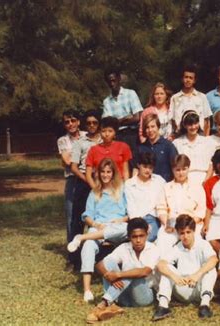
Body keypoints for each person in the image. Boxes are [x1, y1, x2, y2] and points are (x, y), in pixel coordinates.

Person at [68, 158, 128, 302]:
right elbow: (87, 215)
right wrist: (95, 223)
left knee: (126, 229)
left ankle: (81, 237)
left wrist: (121, 220)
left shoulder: (122, 189)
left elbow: (130, 213)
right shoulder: (94, 192)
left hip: (118, 227)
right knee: (89, 245)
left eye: (109, 172)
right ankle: (87, 290)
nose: (106, 175)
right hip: (98, 227)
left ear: (113, 173)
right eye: (103, 172)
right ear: (99, 174)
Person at [86, 218, 160, 324]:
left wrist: (118, 275)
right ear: (129, 237)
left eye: (141, 236)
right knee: (109, 261)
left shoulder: (153, 249)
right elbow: (99, 265)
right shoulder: (125, 247)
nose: (138, 240)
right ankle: (113, 306)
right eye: (134, 237)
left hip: (143, 297)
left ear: (147, 235)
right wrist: (109, 277)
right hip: (123, 298)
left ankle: (104, 303)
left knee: (131, 267)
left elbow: (145, 271)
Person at [153, 214, 218, 321]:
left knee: (210, 268)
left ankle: (204, 306)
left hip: (199, 288)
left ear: (194, 232)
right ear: (178, 233)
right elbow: (161, 264)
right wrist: (174, 277)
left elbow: (214, 259)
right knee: (167, 268)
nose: (185, 236)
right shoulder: (177, 247)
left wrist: (197, 275)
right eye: (182, 233)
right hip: (182, 287)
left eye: (188, 232)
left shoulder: (203, 244)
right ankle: (163, 306)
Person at [69, 110, 102, 270]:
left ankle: (98, 258)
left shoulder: (104, 139)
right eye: (88, 123)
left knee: (100, 218)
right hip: (83, 181)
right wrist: (87, 180)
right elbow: (74, 167)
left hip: (102, 180)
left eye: (95, 122)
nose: (91, 126)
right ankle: (75, 260)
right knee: (78, 220)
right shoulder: (80, 142)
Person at [155, 154, 206, 254]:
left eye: (184, 169)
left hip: (191, 225)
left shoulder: (197, 187)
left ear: (188, 169)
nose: (181, 173)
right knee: (163, 243)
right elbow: (161, 208)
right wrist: (166, 223)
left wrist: (188, 225)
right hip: (171, 225)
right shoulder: (166, 187)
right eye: (177, 170)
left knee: (196, 246)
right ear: (173, 170)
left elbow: (201, 211)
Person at [57, 110, 86, 257]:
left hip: (89, 180)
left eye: (73, 120)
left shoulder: (88, 135)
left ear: (78, 122)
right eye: (67, 122)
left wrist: (72, 158)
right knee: (71, 218)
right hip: (73, 181)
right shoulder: (63, 140)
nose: (70, 124)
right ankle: (73, 255)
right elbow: (67, 161)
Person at [124, 152, 166, 242]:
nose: (148, 170)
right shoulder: (130, 184)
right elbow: (131, 208)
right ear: (139, 165)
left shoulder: (159, 181)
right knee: (137, 240)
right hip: (136, 220)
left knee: (145, 240)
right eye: (145, 167)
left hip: (154, 219)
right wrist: (141, 224)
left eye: (150, 168)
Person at [102, 69, 143, 155]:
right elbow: (108, 124)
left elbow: (136, 118)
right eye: (109, 82)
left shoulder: (130, 94)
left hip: (131, 135)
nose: (112, 84)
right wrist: (125, 118)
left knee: (133, 163)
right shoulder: (106, 101)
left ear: (119, 79)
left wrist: (116, 122)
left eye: (114, 80)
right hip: (117, 136)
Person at [85, 117, 132, 189]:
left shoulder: (123, 147)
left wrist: (126, 189)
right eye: (103, 131)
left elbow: (126, 172)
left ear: (115, 132)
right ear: (100, 132)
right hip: (100, 186)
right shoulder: (93, 150)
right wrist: (95, 189)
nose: (107, 134)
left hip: (119, 186)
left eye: (110, 131)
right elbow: (88, 175)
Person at [172, 110, 215, 184]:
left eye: (195, 123)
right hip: (184, 180)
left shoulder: (207, 142)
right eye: (190, 124)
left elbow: (211, 165)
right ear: (185, 125)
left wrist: (206, 182)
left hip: (205, 179)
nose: (193, 127)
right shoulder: (177, 143)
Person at [169, 65, 212, 136]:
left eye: (191, 78)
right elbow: (172, 120)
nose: (188, 80)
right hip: (181, 134)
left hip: (199, 134)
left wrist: (206, 138)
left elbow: (207, 120)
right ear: (182, 79)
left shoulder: (202, 97)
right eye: (186, 77)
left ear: (194, 80)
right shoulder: (175, 98)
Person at [137, 114, 178, 182]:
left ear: (158, 127)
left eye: (153, 126)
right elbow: (136, 169)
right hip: (145, 186)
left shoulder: (168, 146)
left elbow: (176, 167)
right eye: (147, 127)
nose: (150, 130)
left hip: (165, 185)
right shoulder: (141, 148)